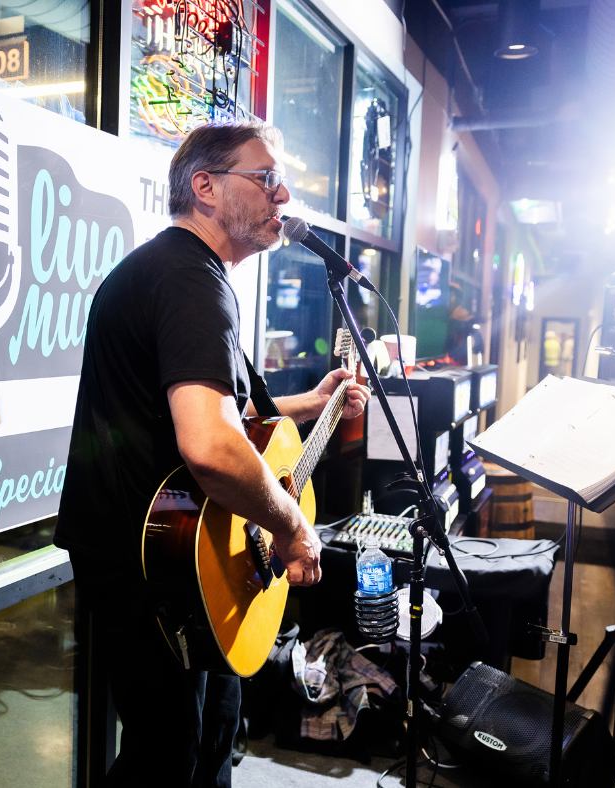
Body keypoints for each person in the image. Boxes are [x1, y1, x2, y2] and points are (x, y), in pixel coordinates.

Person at [54, 121, 371, 787]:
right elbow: (211, 447)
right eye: (265, 178)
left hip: (173, 550)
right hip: (152, 558)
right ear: (205, 186)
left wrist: (311, 405)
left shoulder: (181, 272)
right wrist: (292, 526)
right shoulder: (190, 281)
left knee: (207, 740)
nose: (282, 195)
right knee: (167, 759)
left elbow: (223, 418)